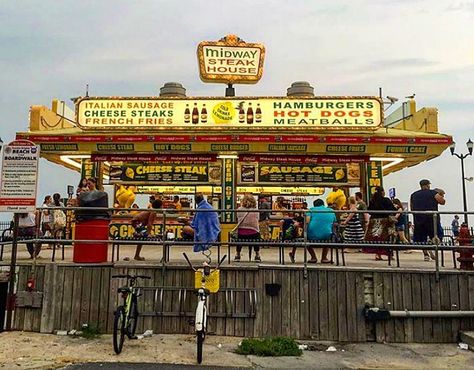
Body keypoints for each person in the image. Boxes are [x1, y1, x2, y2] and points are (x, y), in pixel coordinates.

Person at [410, 179, 446, 261]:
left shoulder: (413, 194)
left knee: (422, 238)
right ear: (428, 185)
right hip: (431, 218)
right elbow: (442, 201)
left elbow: (412, 207)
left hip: (419, 218)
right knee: (437, 234)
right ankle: (432, 247)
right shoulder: (433, 193)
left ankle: (426, 254)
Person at [364, 186, 397, 261]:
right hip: (384, 221)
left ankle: (377, 254)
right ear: (382, 192)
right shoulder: (386, 200)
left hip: (374, 221)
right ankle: (389, 255)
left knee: (376, 238)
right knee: (387, 238)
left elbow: (369, 210)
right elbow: (392, 210)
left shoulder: (372, 201)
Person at [306, 199, 337, 264]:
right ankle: (324, 258)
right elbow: (334, 223)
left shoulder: (310, 210)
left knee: (305, 239)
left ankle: (313, 257)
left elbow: (307, 222)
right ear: (323, 204)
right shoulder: (331, 211)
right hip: (327, 235)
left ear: (314, 205)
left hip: (312, 235)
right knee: (328, 235)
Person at [234, 194, 261, 262]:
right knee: (257, 235)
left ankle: (238, 254)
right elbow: (258, 219)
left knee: (239, 237)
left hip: (242, 233)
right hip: (253, 233)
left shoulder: (239, 209)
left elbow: (238, 219)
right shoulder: (256, 210)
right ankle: (257, 255)